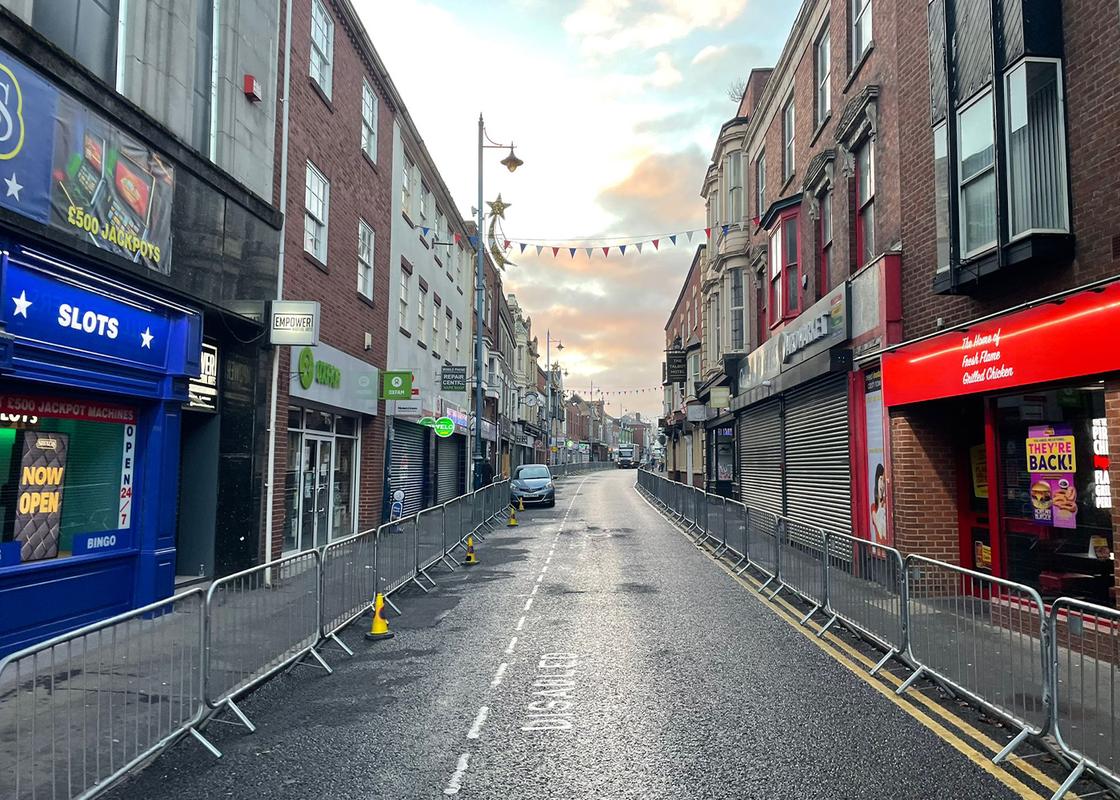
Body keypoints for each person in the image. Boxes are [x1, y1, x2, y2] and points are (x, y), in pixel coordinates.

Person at [870, 463, 887, 545]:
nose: (882, 484)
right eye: (881, 480)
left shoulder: (887, 504)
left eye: (884, 481)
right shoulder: (873, 507)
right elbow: (881, 531)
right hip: (879, 548)